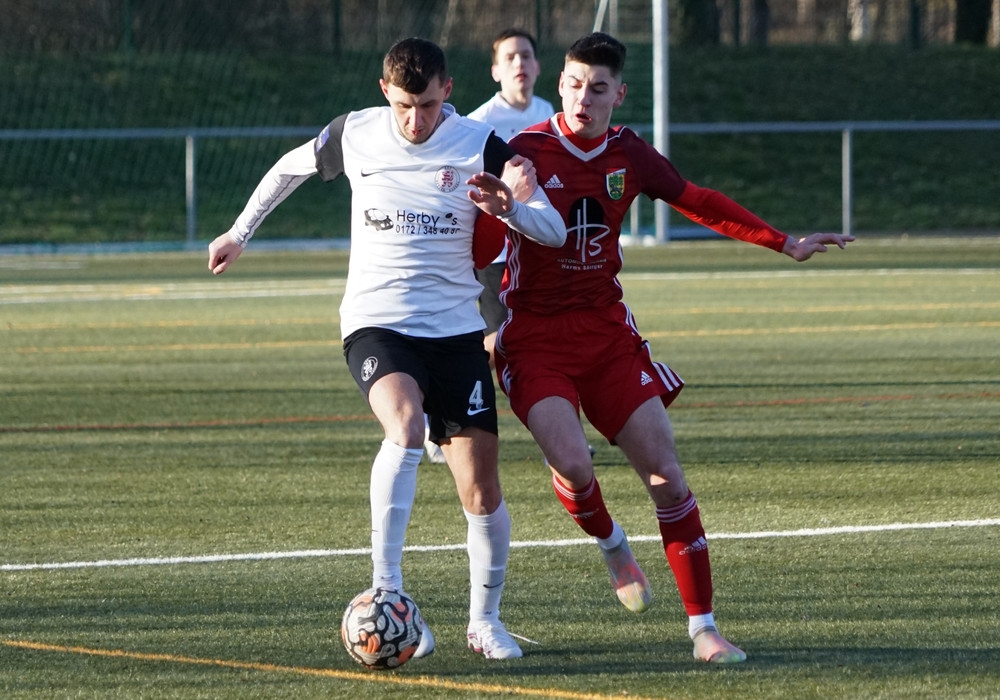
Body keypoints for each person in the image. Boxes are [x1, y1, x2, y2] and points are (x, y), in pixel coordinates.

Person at [494, 32, 854, 664]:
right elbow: (473, 228)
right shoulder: (522, 150)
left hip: (607, 335)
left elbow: (695, 200)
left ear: (619, 94)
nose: (583, 99)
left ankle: (704, 630)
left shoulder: (628, 153)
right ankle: (613, 545)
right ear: (560, 85)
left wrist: (783, 241)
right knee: (574, 467)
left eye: (598, 89)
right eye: (574, 85)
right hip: (534, 339)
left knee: (666, 476)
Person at [207, 37, 566, 661]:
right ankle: (388, 593)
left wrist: (510, 209)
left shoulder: (483, 146)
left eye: (427, 105)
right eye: (403, 105)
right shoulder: (356, 132)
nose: (414, 120)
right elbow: (288, 168)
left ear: (447, 91)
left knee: (481, 489)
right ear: (384, 92)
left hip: (455, 332)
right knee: (405, 425)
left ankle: (484, 622)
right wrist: (240, 232)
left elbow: (554, 230)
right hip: (377, 323)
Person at [467, 28, 555, 369]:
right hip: (499, 252)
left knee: (540, 338)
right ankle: (460, 374)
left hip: (540, 245)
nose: (519, 63)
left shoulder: (548, 112)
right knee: (502, 339)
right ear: (496, 71)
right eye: (510, 57)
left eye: (526, 56)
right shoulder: (478, 124)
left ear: (538, 66)